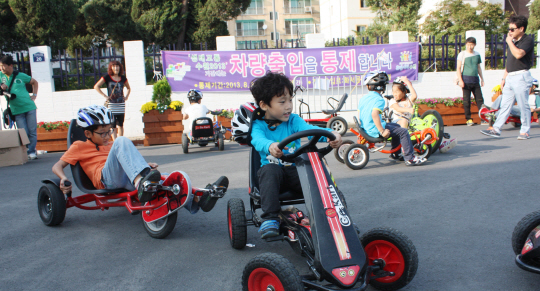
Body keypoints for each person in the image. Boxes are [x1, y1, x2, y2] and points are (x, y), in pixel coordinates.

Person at [52, 105, 228, 213]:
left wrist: (144, 166)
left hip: (124, 177)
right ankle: (141, 184)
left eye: (109, 131)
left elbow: (124, 160)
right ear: (88, 133)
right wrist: (63, 178)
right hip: (106, 180)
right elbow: (57, 166)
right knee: (121, 142)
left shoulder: (108, 143)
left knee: (166, 177)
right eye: (103, 133)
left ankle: (199, 198)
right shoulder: (78, 146)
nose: (107, 136)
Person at [249, 72, 342, 239]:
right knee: (270, 170)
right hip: (272, 175)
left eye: (290, 100)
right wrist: (270, 146)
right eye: (282, 101)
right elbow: (257, 140)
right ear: (264, 105)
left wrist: (331, 134)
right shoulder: (259, 124)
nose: (288, 106)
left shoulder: (293, 120)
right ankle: (271, 218)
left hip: (294, 170)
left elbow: (310, 131)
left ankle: (335, 216)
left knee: (316, 174)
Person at [481, 15, 535, 139]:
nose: (509, 32)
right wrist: (504, 78)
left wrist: (509, 42)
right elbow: (509, 61)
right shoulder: (513, 42)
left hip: (521, 76)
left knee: (523, 105)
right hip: (510, 76)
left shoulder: (527, 40)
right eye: (508, 29)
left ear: (521, 28)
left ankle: (525, 131)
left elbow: (519, 54)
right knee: (505, 105)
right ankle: (496, 129)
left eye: (512, 29)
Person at [358, 71, 426, 166]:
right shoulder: (379, 99)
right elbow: (374, 114)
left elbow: (360, 114)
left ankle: (396, 153)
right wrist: (382, 131)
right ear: (382, 86)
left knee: (396, 126)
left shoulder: (363, 98)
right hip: (375, 129)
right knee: (403, 131)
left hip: (366, 128)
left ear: (369, 86)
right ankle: (410, 158)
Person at [0, 55, 39, 159]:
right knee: (23, 132)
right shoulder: (0, 75)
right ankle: (26, 150)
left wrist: (34, 95)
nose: (1, 68)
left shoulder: (20, 75)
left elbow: (34, 82)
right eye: (0, 66)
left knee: (32, 131)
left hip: (29, 107)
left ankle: (31, 152)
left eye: (3, 66)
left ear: (10, 66)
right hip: (16, 109)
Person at [94, 61, 131, 140]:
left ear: (120, 67)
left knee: (120, 124)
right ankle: (115, 142)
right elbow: (96, 86)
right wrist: (105, 96)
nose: (116, 68)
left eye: (117, 66)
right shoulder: (107, 77)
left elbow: (128, 88)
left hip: (121, 104)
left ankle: (120, 141)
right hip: (112, 104)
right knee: (113, 125)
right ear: (111, 67)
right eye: (114, 66)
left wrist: (126, 96)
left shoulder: (123, 78)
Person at [456, 37, 485, 126]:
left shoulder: (477, 54)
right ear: (466, 45)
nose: (470, 46)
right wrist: (460, 80)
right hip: (466, 80)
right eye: (468, 44)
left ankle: (483, 118)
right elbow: (458, 68)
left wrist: (482, 79)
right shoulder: (462, 54)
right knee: (466, 101)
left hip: (475, 80)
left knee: (480, 99)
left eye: (471, 44)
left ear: (474, 45)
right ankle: (468, 119)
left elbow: (478, 67)